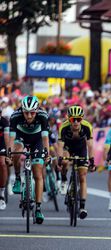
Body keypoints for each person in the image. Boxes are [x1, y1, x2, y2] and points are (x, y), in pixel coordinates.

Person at [9, 96, 50, 224]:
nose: (29, 115)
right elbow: (11, 137)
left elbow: (45, 138)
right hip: (21, 137)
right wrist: (9, 153)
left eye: (32, 112)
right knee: (15, 152)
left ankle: (38, 208)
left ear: (37, 110)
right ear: (22, 110)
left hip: (37, 140)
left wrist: (46, 153)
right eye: (26, 112)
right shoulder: (15, 116)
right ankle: (17, 178)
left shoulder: (43, 116)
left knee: (38, 172)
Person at [58, 105, 95, 220]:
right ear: (68, 119)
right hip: (68, 148)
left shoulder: (87, 126)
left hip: (81, 149)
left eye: (78, 119)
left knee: (83, 176)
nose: (75, 122)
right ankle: (63, 179)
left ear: (82, 119)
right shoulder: (63, 127)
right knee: (65, 162)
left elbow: (90, 145)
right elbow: (60, 145)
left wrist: (92, 160)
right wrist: (60, 158)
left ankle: (82, 207)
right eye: (73, 119)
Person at [0, 108, 9, 210]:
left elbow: (6, 137)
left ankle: (2, 192)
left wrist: (8, 152)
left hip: (1, 144)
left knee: (2, 163)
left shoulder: (4, 121)